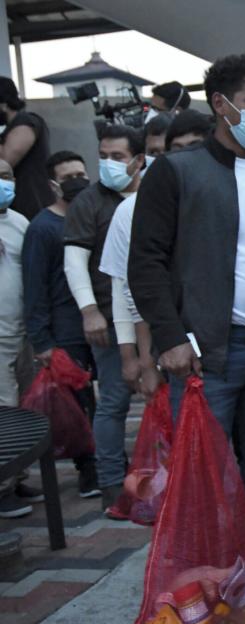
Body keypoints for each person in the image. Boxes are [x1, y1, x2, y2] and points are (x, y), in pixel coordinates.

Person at [128, 53, 245, 610]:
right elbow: (146, 263)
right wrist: (171, 338)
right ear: (220, 104)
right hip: (207, 354)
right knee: (203, 474)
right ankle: (209, 578)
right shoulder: (178, 173)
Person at [64, 124, 145, 512]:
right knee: (114, 401)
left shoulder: (156, 193)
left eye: (118, 157)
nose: (109, 164)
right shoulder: (90, 202)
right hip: (110, 317)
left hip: (157, 318)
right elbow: (74, 260)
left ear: (138, 160)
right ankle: (112, 482)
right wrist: (89, 310)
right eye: (103, 156)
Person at [22, 151, 99, 502]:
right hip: (65, 330)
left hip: (100, 323)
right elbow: (34, 287)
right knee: (77, 404)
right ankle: (88, 468)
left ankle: (109, 460)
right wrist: (42, 341)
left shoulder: (94, 214)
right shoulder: (42, 228)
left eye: (80, 174)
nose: (77, 182)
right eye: (68, 178)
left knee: (106, 400)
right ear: (54, 185)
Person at [98, 114, 172, 403]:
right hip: (160, 343)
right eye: (154, 153)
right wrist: (137, 357)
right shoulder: (130, 211)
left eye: (167, 151)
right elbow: (125, 288)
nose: (161, 160)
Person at [0, 157, 41, 518]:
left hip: (21, 330)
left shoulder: (20, 221)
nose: (3, 183)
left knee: (24, 407)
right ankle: (2, 488)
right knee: (4, 406)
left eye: (6, 175)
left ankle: (17, 477)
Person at [0, 77, 53, 221]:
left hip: (32, 208)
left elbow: (4, 162)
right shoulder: (8, 130)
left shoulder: (26, 121)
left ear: (4, 104)